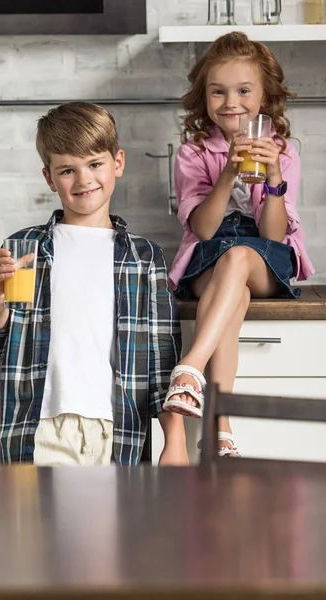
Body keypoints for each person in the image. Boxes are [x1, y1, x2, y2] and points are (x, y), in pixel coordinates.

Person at [0, 101, 188, 466]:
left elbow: (161, 362)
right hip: (38, 431)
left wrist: (176, 442)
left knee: (111, 526)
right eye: (67, 170)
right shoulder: (24, 249)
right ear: (49, 178)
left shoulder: (144, 257)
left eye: (94, 164)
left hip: (117, 432)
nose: (84, 180)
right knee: (34, 525)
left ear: (117, 162)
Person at [163, 32, 314, 456]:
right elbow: (205, 230)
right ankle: (220, 425)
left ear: (264, 95)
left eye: (244, 90)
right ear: (204, 96)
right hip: (210, 255)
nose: (231, 101)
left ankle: (189, 368)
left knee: (242, 255)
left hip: (265, 255)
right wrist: (228, 174)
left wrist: (273, 179)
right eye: (218, 91)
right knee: (233, 291)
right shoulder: (193, 153)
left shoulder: (282, 153)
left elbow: (271, 236)